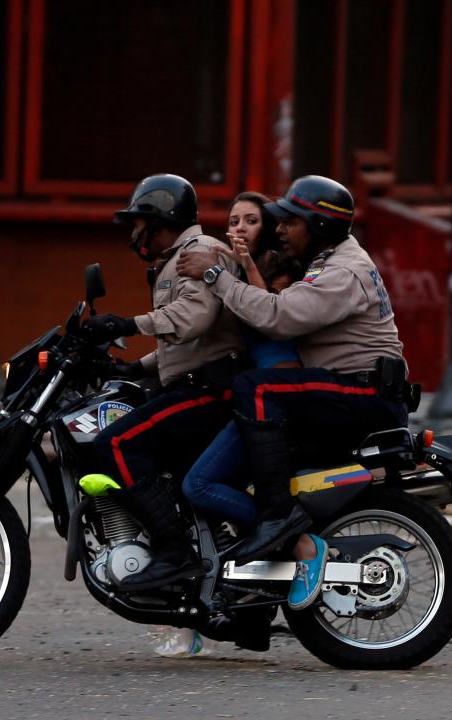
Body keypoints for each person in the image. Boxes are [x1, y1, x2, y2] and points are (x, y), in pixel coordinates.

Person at [176, 175, 414, 611]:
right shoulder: (325, 261)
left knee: (258, 390)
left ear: (318, 227)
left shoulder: (343, 271)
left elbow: (280, 317)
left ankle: (280, 520)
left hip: (364, 395)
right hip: (342, 390)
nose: (280, 229)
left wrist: (213, 274)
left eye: (291, 222)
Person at [79, 173, 247, 592]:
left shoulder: (200, 251)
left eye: (138, 223)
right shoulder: (178, 258)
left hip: (209, 391)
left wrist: (127, 324)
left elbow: (194, 319)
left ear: (160, 220)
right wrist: (133, 369)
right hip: (193, 382)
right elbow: (187, 345)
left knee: (115, 444)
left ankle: (175, 552)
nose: (134, 233)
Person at [181, 194, 302, 531]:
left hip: (278, 389)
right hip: (250, 388)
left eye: (251, 220)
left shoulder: (281, 266)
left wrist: (237, 267)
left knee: (200, 483)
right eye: (234, 221)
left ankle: (282, 536)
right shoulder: (233, 263)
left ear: (267, 226)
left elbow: (266, 313)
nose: (240, 228)